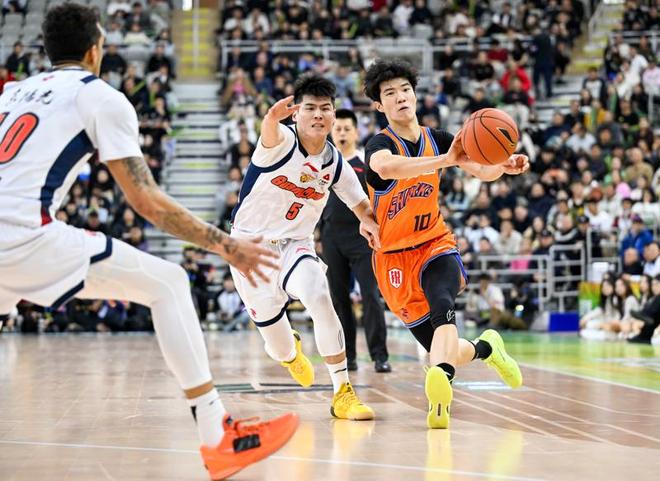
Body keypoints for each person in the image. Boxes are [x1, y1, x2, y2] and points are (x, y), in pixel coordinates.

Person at [0, 5, 296, 480]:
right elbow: (147, 202)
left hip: (13, 234)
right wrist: (228, 246)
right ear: (95, 49)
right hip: (23, 236)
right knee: (169, 283)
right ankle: (217, 436)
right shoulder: (99, 97)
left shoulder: (13, 93)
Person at [362, 59, 527, 429]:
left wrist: (503, 164)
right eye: (390, 93)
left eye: (405, 89)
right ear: (379, 105)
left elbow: (480, 168)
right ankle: (487, 348)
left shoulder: (437, 137)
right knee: (442, 346)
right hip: (393, 258)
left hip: (434, 242)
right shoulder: (379, 144)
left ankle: (440, 393)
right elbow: (386, 167)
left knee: (442, 303)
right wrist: (444, 161)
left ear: (415, 94)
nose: (400, 97)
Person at [229, 73, 379, 421]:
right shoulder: (281, 141)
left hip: (296, 245)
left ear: (334, 114)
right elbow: (270, 130)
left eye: (325, 108)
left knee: (319, 296)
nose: (318, 115)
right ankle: (290, 352)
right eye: (310, 108)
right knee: (278, 348)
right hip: (250, 249)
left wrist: (370, 223)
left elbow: (361, 205)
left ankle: (342, 392)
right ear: (295, 113)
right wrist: (271, 117)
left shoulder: (335, 162)